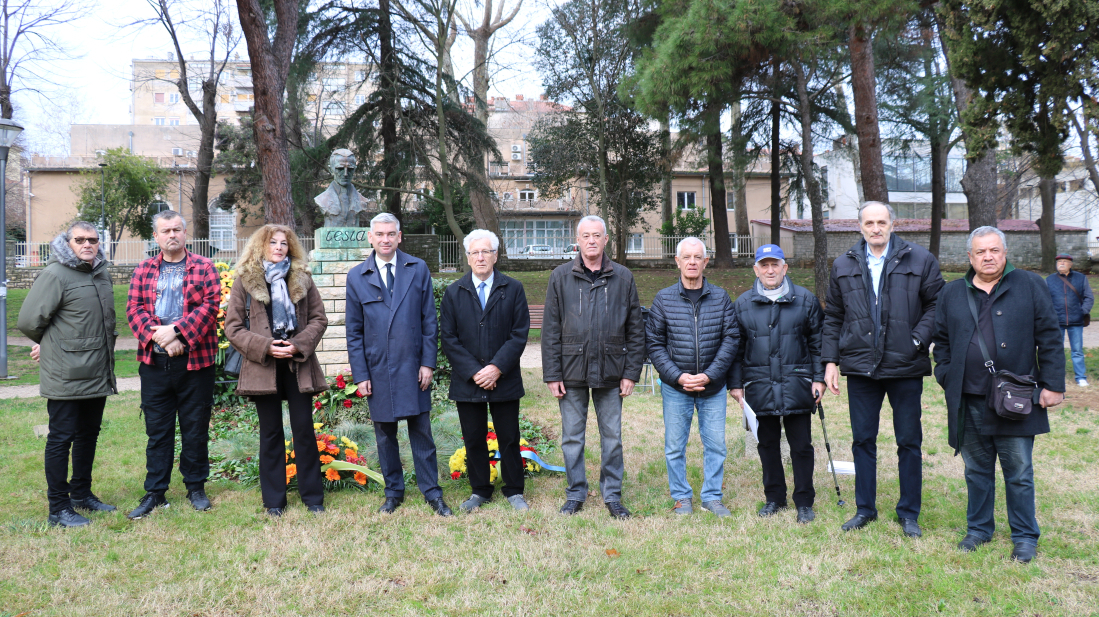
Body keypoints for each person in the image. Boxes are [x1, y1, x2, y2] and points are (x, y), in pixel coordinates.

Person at [932, 226, 1064, 563]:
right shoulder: (951, 293)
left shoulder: (1030, 285)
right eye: (981, 252)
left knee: (1018, 472)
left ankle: (1024, 536)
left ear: (1004, 254)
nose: (988, 257)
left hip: (1016, 399)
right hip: (969, 398)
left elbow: (1049, 336)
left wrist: (1053, 384)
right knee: (976, 470)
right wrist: (946, 373)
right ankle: (978, 529)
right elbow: (942, 341)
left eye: (994, 250)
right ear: (970, 257)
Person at [822, 201, 943, 538]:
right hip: (861, 367)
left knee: (909, 441)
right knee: (862, 440)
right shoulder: (843, 265)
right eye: (869, 223)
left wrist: (917, 340)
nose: (875, 228)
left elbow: (937, 303)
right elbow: (833, 316)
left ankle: (908, 514)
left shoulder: (919, 259)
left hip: (905, 366)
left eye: (881, 222)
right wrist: (830, 361)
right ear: (859, 226)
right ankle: (865, 509)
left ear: (893, 224)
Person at [346, 212, 452, 516]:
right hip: (377, 370)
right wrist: (360, 374)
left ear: (399, 236)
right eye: (379, 234)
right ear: (370, 237)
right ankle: (393, 492)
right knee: (385, 435)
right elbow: (353, 331)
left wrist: (428, 363)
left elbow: (429, 321)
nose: (385, 239)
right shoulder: (357, 276)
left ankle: (432, 492)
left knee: (421, 432)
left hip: (413, 366)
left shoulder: (417, 269)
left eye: (390, 234)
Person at [542, 215, 645, 519]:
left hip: (612, 371)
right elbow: (549, 330)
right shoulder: (560, 276)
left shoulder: (623, 277)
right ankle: (576, 492)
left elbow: (636, 330)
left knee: (611, 437)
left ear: (605, 239)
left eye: (596, 235)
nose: (590, 241)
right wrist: (552, 374)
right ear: (578, 240)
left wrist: (630, 373)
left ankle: (612, 494)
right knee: (572, 437)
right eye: (585, 236)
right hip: (570, 370)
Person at [17, 222, 118, 528]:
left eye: (93, 239)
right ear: (67, 243)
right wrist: (49, 344)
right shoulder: (55, 274)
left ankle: (81, 494)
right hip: (65, 373)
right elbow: (28, 321)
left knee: (89, 434)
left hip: (97, 371)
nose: (87, 244)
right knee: (61, 439)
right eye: (80, 239)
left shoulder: (100, 273)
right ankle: (58, 508)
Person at [225, 225, 329, 517]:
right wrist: (267, 347)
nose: (280, 247)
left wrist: (297, 345)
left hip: (298, 365)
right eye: (273, 242)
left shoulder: (302, 279)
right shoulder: (245, 281)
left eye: (284, 243)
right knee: (270, 433)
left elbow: (319, 320)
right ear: (261, 246)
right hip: (264, 365)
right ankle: (274, 501)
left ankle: (313, 498)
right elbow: (233, 328)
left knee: (304, 431)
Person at [125, 210, 220, 519]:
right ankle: (155, 491)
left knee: (195, 429)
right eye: (165, 231)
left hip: (196, 364)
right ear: (156, 237)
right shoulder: (143, 269)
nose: (172, 235)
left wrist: (179, 332)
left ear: (185, 233)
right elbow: (134, 308)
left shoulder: (205, 267)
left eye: (177, 229)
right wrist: (164, 339)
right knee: (158, 432)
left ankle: (196, 487)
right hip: (155, 363)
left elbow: (210, 307)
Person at [729, 245, 824, 524]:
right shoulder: (743, 304)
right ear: (756, 269)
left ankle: (804, 502)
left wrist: (818, 378)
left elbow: (818, 344)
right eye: (764, 265)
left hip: (798, 383)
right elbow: (736, 348)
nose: (770, 270)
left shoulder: (806, 300)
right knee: (767, 444)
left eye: (775, 265)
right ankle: (774, 498)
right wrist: (736, 384)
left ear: (785, 268)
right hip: (758, 385)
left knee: (801, 446)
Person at [646, 237, 739, 517]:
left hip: (712, 388)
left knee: (716, 446)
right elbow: (654, 343)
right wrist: (678, 377)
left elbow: (731, 338)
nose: (692, 262)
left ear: (706, 261)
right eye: (686, 257)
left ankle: (711, 496)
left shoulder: (721, 297)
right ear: (677, 261)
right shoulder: (663, 299)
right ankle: (681, 496)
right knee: (675, 446)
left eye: (697, 257)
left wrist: (710, 375)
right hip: (677, 388)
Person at [440, 229, 531, 512]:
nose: (481, 257)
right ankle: (480, 491)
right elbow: (448, 338)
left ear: (495, 255)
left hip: (504, 379)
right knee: (474, 437)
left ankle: (515, 490)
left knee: (509, 436)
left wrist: (495, 368)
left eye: (486, 252)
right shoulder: (454, 292)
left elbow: (519, 333)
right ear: (467, 257)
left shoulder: (513, 288)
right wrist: (475, 372)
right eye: (475, 252)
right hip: (468, 381)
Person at [1046, 253, 1093, 387]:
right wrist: (1050, 315)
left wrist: (1082, 312)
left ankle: (1080, 377)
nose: (1061, 263)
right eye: (1059, 261)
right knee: (1056, 351)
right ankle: (1056, 377)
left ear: (1070, 264)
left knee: (1077, 351)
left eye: (1065, 261)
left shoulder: (1081, 278)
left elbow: (1089, 297)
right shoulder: (1049, 280)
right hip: (1056, 322)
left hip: (1076, 321)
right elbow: (1044, 300)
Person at [315, 148, 367, 227]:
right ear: (331, 170)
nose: (345, 174)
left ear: (354, 170)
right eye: (340, 169)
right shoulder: (322, 199)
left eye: (350, 169)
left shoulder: (362, 200)